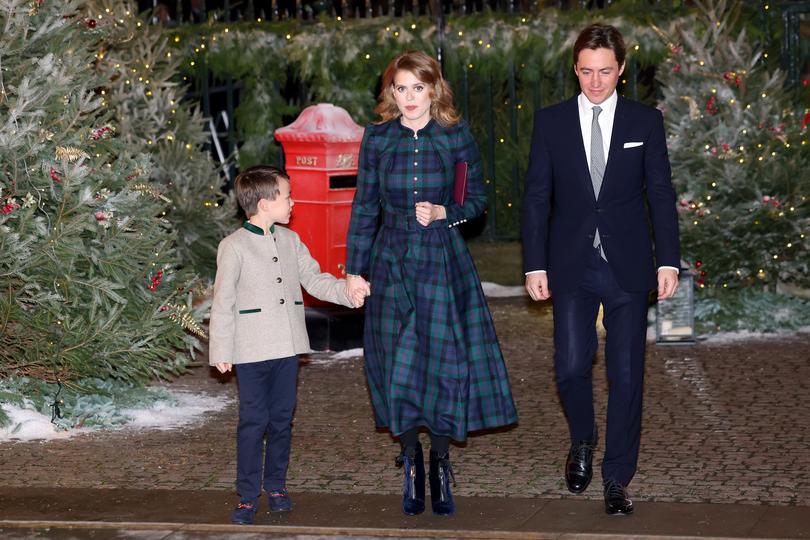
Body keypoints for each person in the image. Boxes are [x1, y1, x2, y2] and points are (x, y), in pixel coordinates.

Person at [345, 50, 518, 517]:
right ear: (391, 93)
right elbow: (364, 207)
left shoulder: (454, 135)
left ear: (434, 89)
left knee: (443, 363)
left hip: (442, 259)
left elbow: (476, 199)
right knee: (395, 363)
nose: (409, 98)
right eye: (400, 88)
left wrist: (446, 212)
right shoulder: (378, 138)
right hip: (391, 258)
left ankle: (440, 460)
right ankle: (412, 461)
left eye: (417, 88)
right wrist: (354, 272)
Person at [521, 24, 680, 516]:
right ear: (575, 69)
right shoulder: (550, 123)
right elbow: (536, 197)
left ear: (622, 69)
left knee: (627, 375)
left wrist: (669, 258)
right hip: (571, 263)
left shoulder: (644, 122)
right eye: (587, 72)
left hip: (628, 265)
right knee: (570, 367)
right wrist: (534, 264)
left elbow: (660, 194)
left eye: (605, 72)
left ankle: (617, 476)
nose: (595, 82)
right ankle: (583, 436)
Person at [209, 165, 366, 525]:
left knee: (281, 419)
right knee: (254, 421)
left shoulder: (290, 240)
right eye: (287, 195)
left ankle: (276, 486)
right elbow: (223, 301)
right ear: (265, 203)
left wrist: (347, 290)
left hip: (287, 348)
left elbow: (314, 279)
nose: (292, 202)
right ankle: (248, 495)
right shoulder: (233, 247)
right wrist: (220, 351)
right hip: (249, 351)